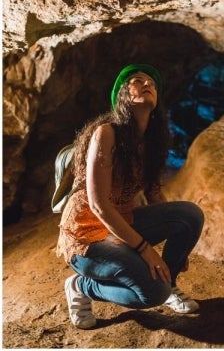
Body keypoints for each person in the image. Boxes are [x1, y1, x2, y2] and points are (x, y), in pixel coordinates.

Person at [56, 64, 204, 329]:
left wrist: (179, 248)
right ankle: (82, 286)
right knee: (152, 293)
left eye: (153, 83)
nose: (147, 84)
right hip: (86, 235)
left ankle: (168, 284)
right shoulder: (106, 133)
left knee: (190, 216)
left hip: (122, 223)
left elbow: (154, 191)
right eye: (138, 80)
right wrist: (146, 250)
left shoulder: (151, 142)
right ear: (123, 95)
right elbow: (98, 205)